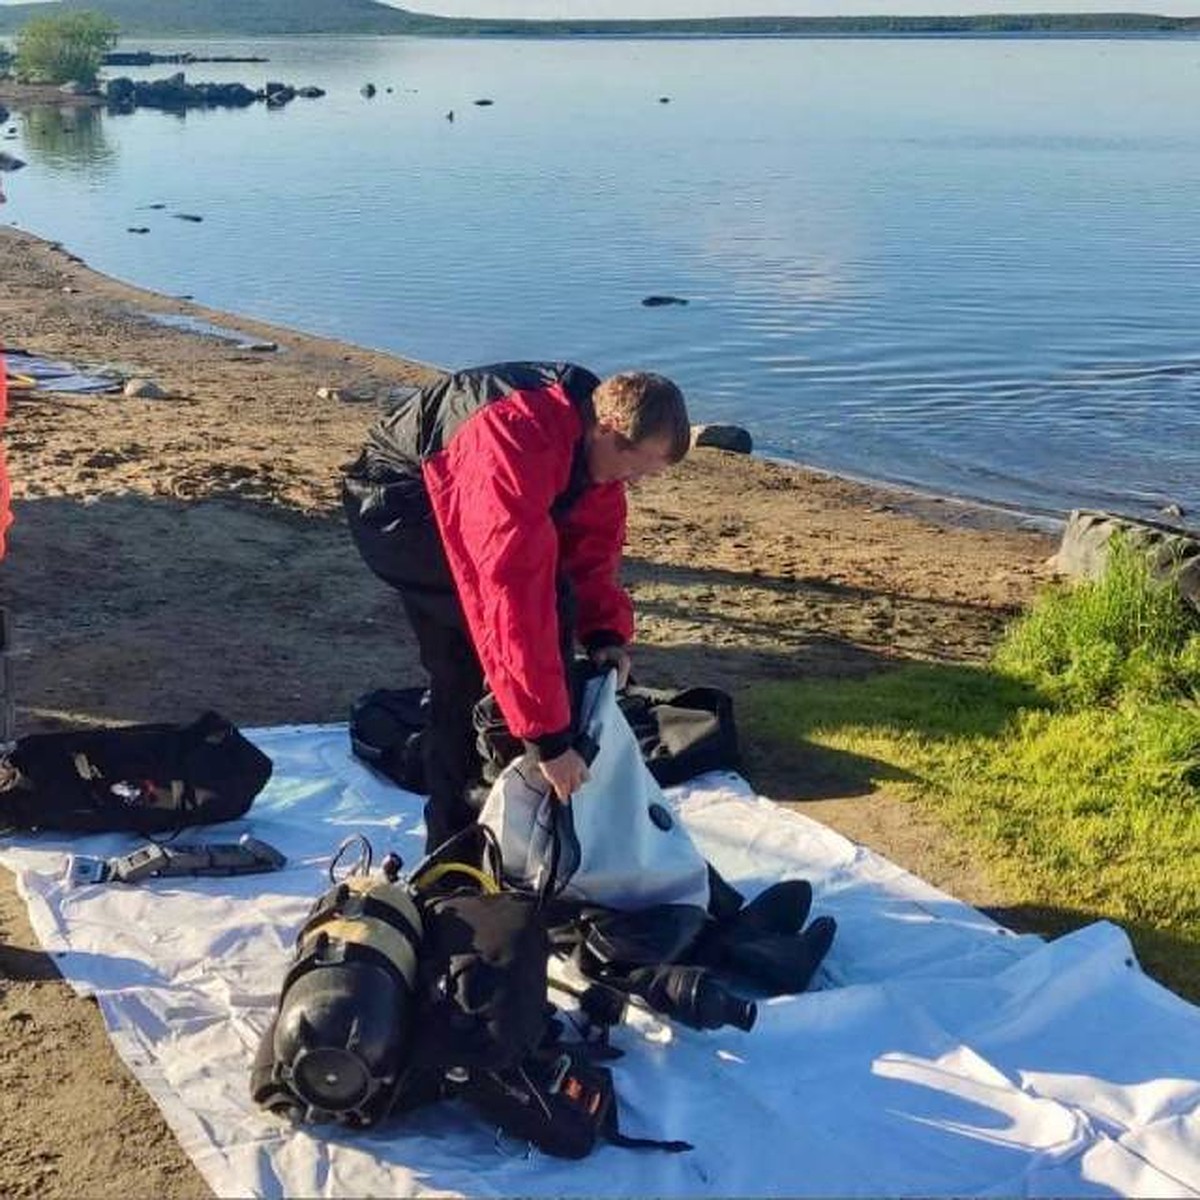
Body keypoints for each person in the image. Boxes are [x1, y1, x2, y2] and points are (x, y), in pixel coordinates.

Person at [342, 361, 690, 851]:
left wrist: (603, 634)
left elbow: (591, 545)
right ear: (607, 430)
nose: (633, 481)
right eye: (635, 468)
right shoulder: (514, 442)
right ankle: (458, 837)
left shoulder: (592, 442)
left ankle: (516, 811)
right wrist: (548, 740)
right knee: (466, 663)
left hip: (461, 484)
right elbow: (511, 596)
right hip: (399, 508)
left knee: (544, 623)